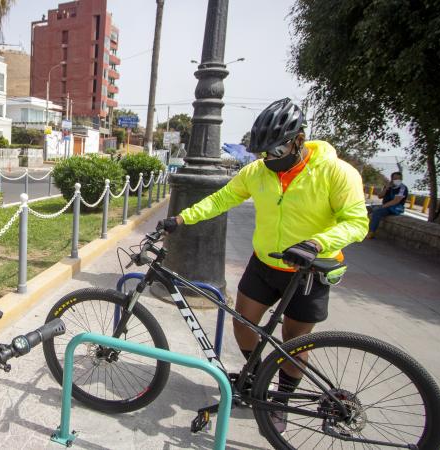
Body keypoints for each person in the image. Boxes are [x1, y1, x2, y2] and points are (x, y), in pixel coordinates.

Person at [157, 98, 368, 432]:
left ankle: (280, 403)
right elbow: (221, 198)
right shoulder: (257, 172)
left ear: (299, 139)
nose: (269, 159)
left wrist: (316, 243)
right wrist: (182, 218)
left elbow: (357, 222)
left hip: (308, 271)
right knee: (242, 323)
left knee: (293, 345)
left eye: (276, 151)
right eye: (263, 153)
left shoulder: (336, 172)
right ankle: (256, 382)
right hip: (265, 263)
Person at [367, 172, 408, 238]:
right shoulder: (388, 186)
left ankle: (371, 232)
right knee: (367, 209)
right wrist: (386, 189)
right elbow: (380, 196)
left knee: (377, 212)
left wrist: (382, 207)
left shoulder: (402, 188)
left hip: (394, 208)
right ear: (391, 179)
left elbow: (396, 201)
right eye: (395, 178)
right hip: (385, 206)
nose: (397, 180)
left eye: (399, 178)